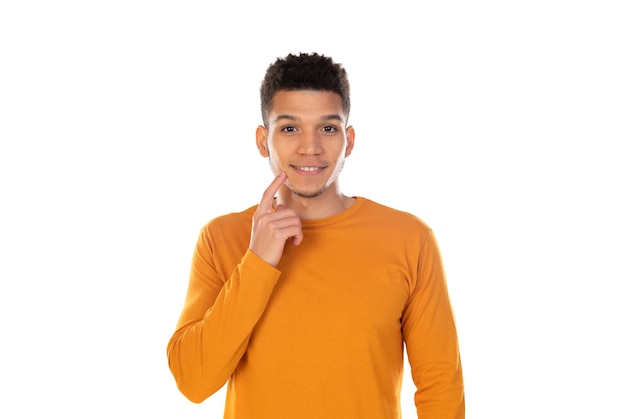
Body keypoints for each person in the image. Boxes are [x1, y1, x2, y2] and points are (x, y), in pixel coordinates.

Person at [166, 52, 465, 418]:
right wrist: (256, 262)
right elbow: (193, 382)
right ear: (263, 141)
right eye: (290, 128)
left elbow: (440, 388)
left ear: (349, 140)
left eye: (327, 128)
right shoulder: (220, 238)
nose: (310, 147)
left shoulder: (410, 240)